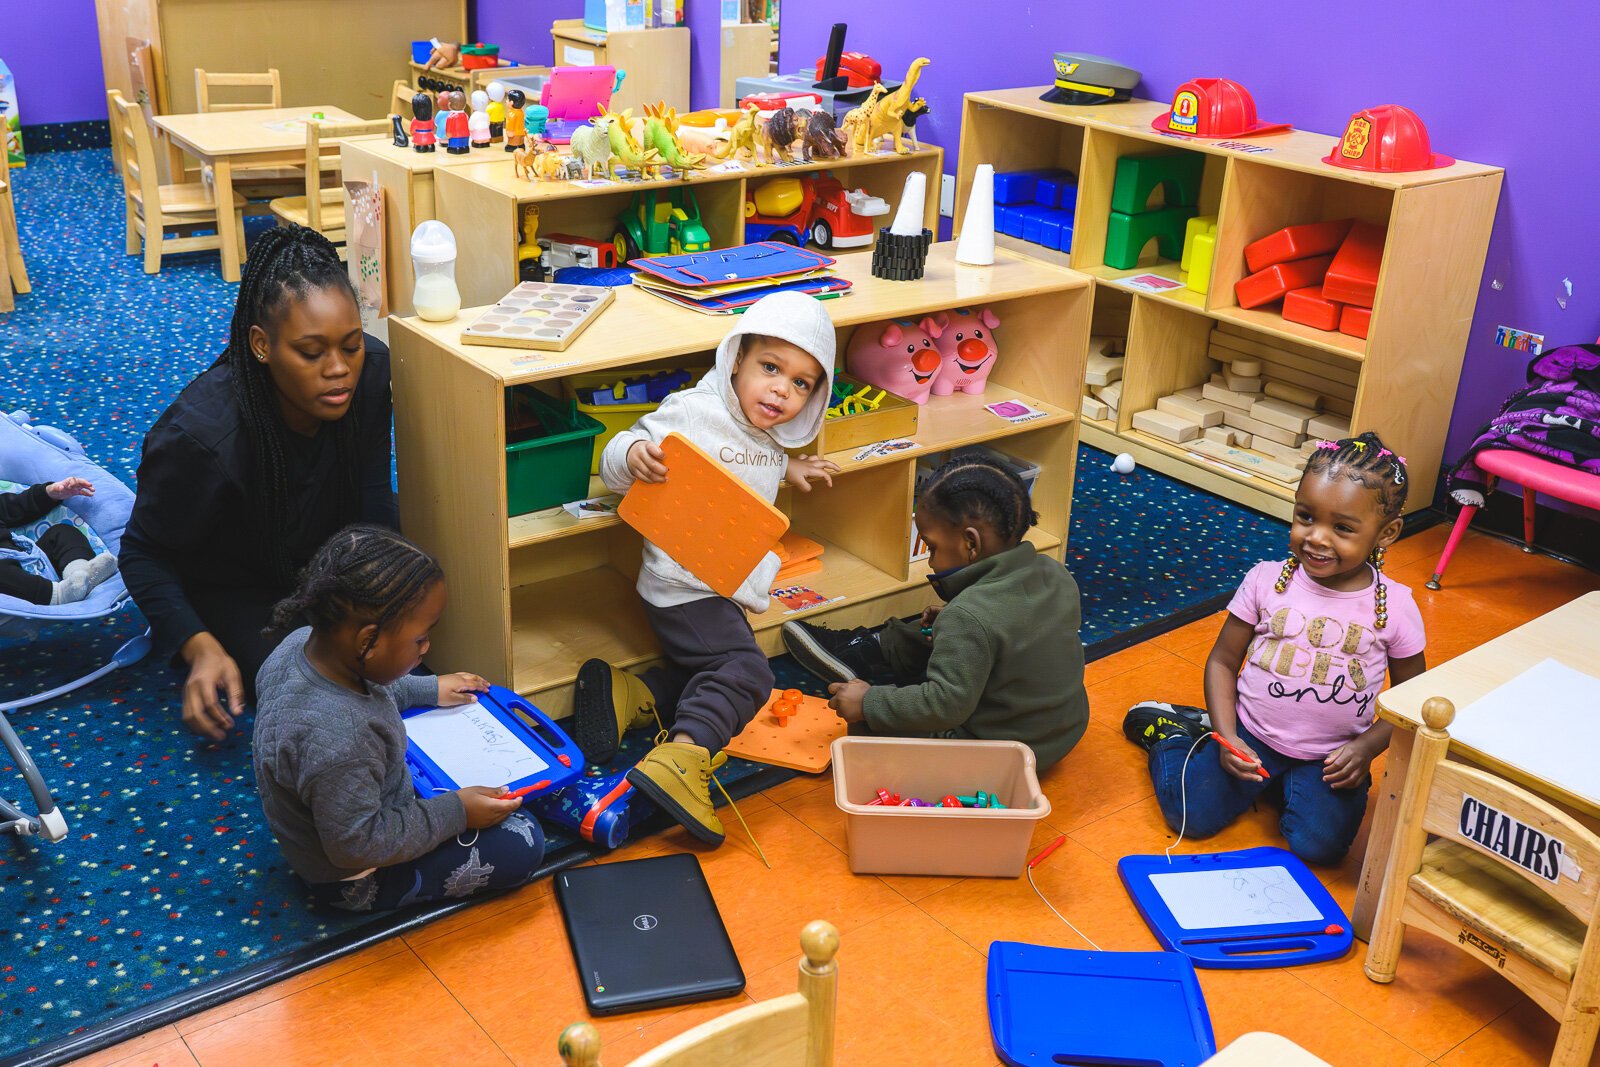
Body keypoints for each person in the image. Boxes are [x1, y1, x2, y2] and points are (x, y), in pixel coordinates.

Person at [573, 291, 840, 845]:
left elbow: (746, 454)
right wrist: (632, 456)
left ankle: (633, 694)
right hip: (684, 583)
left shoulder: (761, 428)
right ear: (737, 358)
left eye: (800, 384)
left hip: (719, 578)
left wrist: (789, 465)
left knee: (712, 669)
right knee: (749, 673)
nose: (780, 390)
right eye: (770, 368)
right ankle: (684, 754)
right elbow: (625, 448)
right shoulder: (695, 410)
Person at [121, 225, 398, 742]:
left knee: (406, 654)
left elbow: (372, 495)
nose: (339, 370)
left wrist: (386, 597)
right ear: (261, 345)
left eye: (351, 345)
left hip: (324, 561)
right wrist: (198, 644)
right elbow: (142, 553)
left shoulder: (371, 372)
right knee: (320, 701)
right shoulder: (200, 438)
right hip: (235, 586)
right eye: (311, 353)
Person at [1123, 432, 1427, 865]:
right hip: (1250, 734)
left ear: (1387, 532)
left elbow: (1411, 703)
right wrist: (1228, 737)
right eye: (1306, 517)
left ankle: (1283, 783)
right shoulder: (1266, 579)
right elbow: (1224, 662)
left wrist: (1365, 749)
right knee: (1188, 816)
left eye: (1342, 528)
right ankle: (1176, 736)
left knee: (1318, 849)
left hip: (1331, 756)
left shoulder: (1396, 606)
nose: (1317, 538)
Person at [253, 524, 543, 911]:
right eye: (420, 639)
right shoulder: (342, 738)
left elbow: (375, 686)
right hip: (355, 875)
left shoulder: (297, 645)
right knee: (524, 840)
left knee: (417, 686)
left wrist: (426, 689)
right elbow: (357, 845)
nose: (427, 647)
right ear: (366, 641)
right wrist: (456, 812)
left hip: (344, 807)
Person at [785, 455, 1090, 772]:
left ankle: (872, 655)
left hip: (1000, 753)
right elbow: (1017, 630)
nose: (930, 562)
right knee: (944, 630)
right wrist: (953, 617)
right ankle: (877, 647)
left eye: (931, 547)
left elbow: (944, 706)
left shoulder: (969, 617)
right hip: (1061, 732)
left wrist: (868, 703)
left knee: (868, 728)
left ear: (970, 542)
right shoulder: (1054, 573)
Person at [0, 477, 118, 605]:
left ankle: (80, 575)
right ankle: (59, 595)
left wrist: (50, 493)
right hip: (11, 587)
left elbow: (15, 506)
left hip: (27, 560)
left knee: (62, 532)